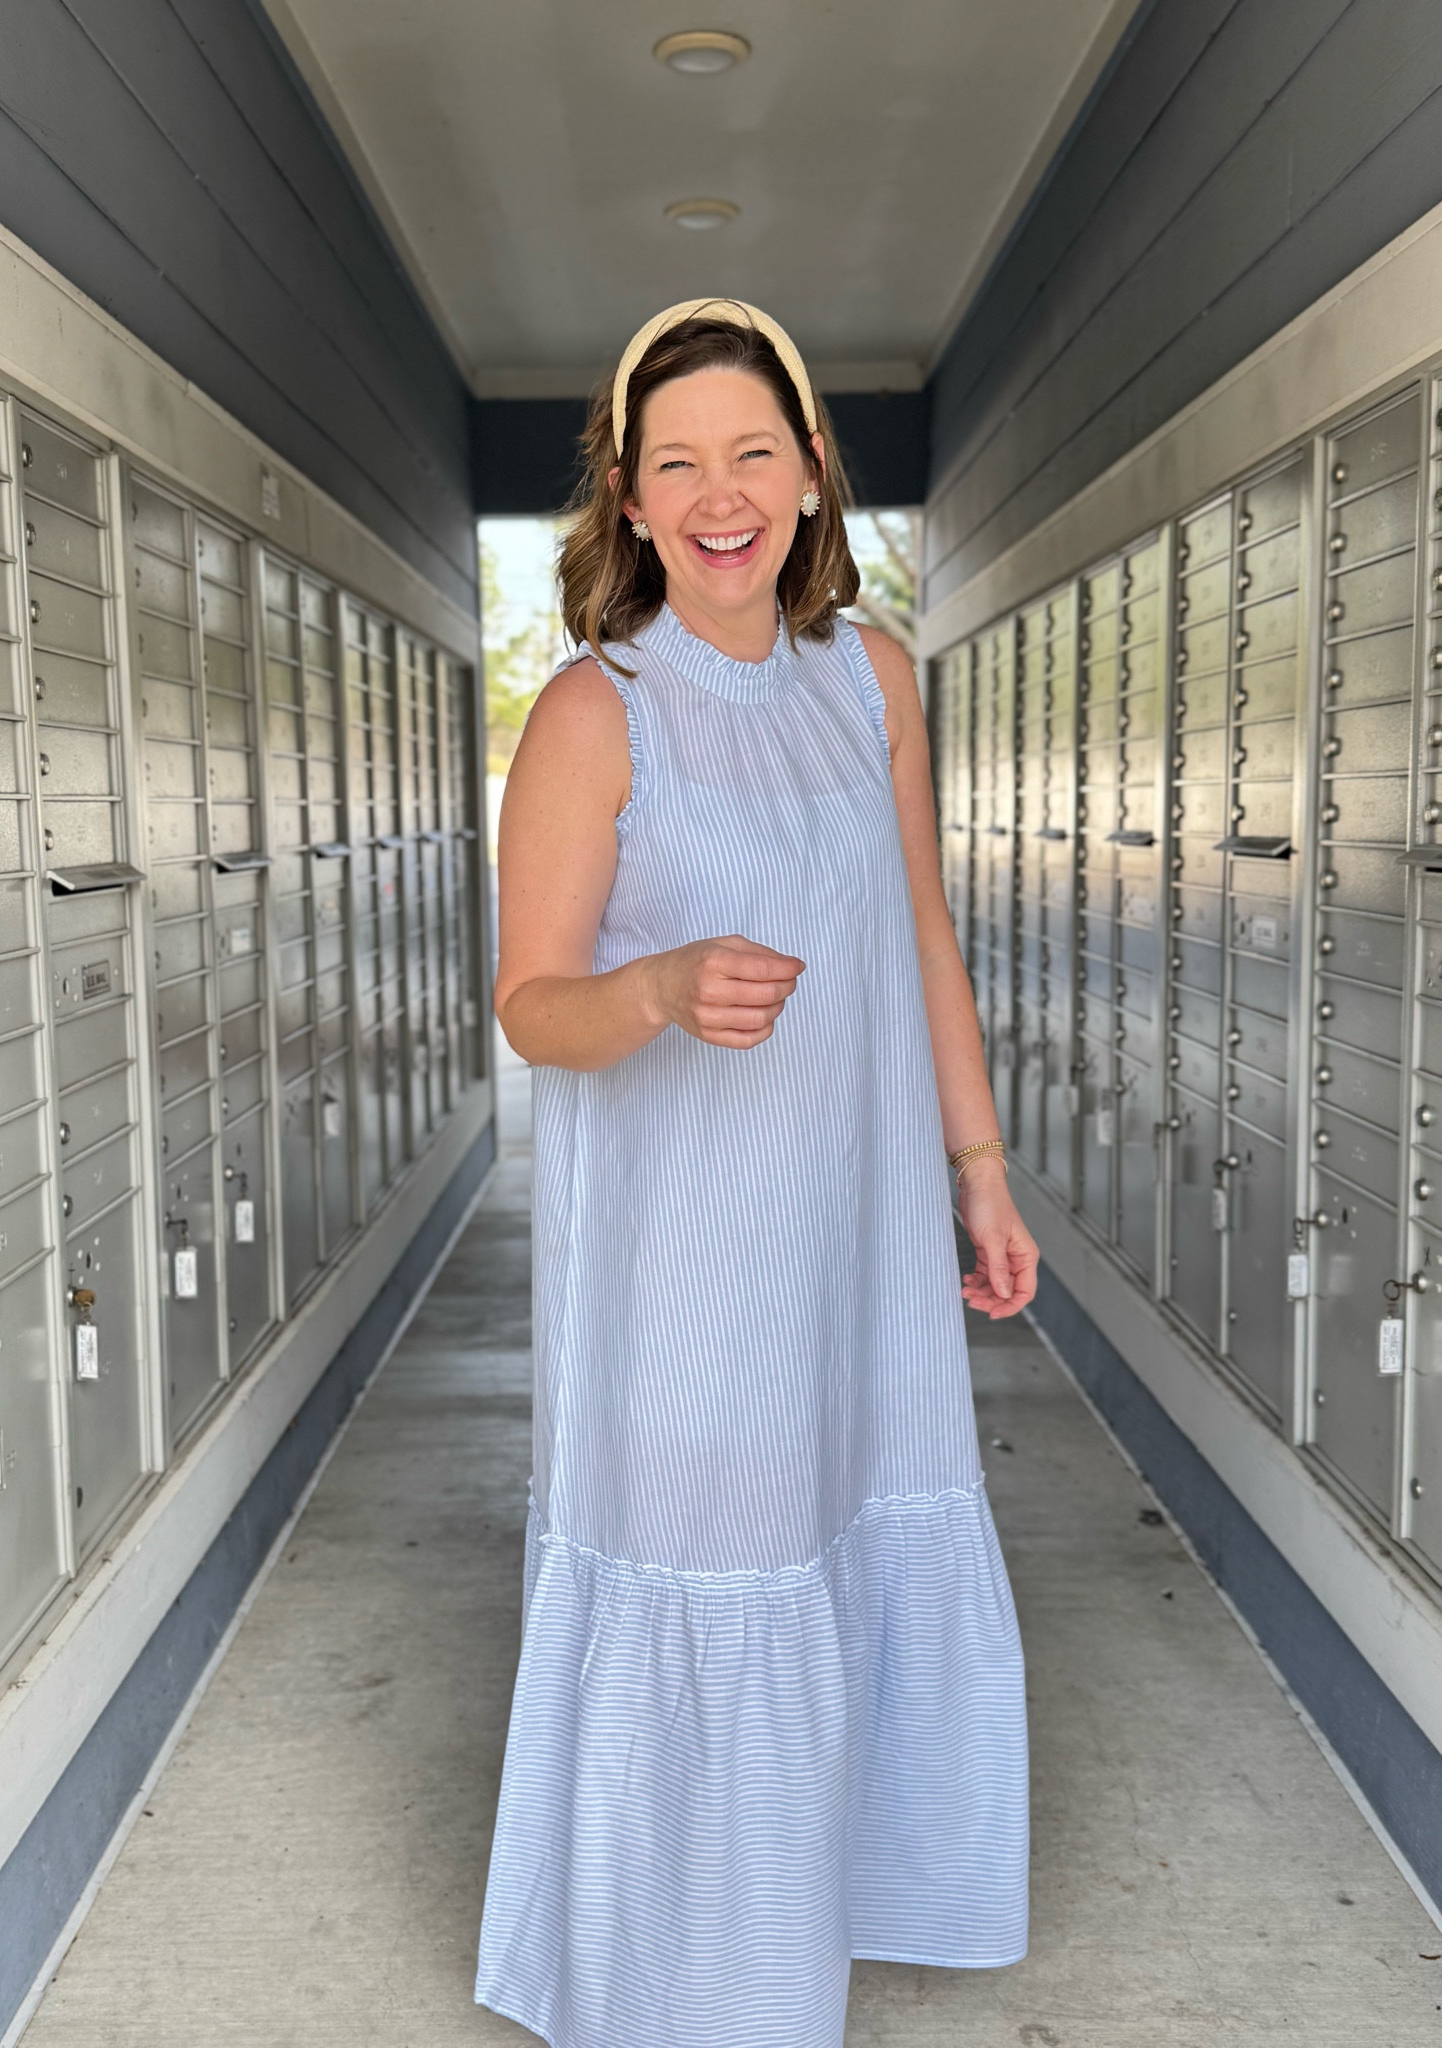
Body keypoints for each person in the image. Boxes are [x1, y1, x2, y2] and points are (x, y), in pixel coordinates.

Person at [476, 298, 1039, 2048]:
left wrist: (981, 1166)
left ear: (807, 478)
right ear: (628, 504)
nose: (719, 495)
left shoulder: (872, 679)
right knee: (721, 1558)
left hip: (854, 1238)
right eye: (675, 466)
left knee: (852, 1526)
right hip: (689, 1264)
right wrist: (650, 988)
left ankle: (819, 1910)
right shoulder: (594, 709)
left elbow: (920, 934)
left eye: (751, 454)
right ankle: (700, 1988)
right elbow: (528, 1008)